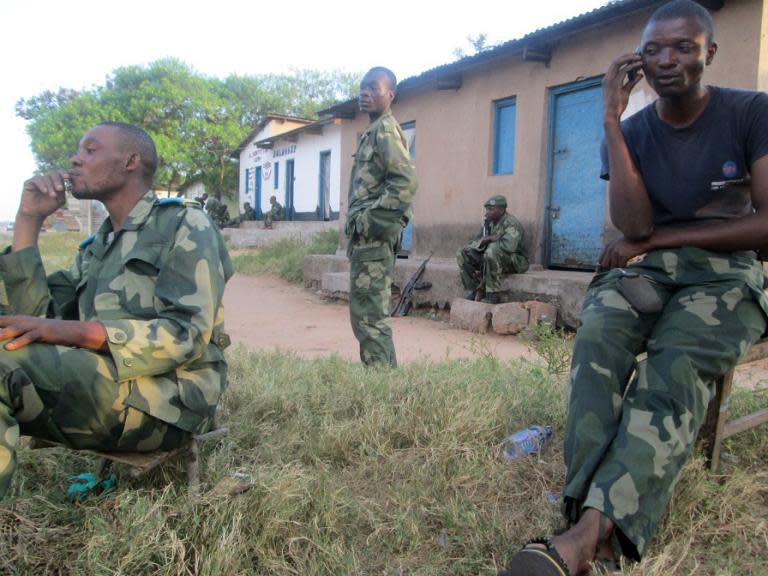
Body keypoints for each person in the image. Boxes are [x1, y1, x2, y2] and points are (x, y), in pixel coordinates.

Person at [502, 1, 768, 574]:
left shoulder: (751, 113)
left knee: (673, 364)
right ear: (636, 63)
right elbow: (633, 227)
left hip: (728, 275)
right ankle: (583, 509)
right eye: (652, 50)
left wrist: (661, 243)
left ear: (710, 54)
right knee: (598, 336)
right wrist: (609, 119)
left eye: (683, 48)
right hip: (646, 269)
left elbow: (767, 226)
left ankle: (590, 538)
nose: (666, 60)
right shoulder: (629, 131)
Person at [0, 122, 233, 499]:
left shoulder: (185, 224)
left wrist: (76, 333)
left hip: (170, 400)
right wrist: (29, 220)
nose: (75, 158)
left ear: (130, 161)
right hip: (111, 385)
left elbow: (187, 334)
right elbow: (33, 318)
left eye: (90, 150)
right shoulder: (97, 246)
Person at [344, 66, 417, 367]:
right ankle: (384, 384)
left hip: (372, 239)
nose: (365, 93)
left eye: (374, 88)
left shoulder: (386, 130)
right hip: (365, 242)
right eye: (363, 88)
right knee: (367, 317)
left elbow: (404, 183)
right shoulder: (373, 131)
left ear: (391, 95)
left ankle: (381, 387)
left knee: (370, 317)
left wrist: (368, 222)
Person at [456, 195, 528, 304]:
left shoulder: (511, 223)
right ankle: (475, 290)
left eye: (491, 209)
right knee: (463, 253)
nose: (487, 212)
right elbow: (474, 243)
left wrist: (490, 242)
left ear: (502, 210)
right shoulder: (489, 222)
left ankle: (492, 294)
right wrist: (487, 239)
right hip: (493, 256)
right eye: (487, 209)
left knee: (492, 250)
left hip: (515, 261)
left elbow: (509, 247)